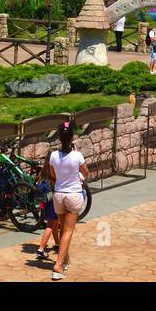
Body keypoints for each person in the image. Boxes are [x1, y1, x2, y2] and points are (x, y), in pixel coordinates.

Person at [46, 120, 88, 281]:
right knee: (68, 231)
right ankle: (57, 265)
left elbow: (52, 174)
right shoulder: (77, 155)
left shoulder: (54, 155)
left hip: (59, 195)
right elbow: (86, 173)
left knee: (63, 229)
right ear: (72, 137)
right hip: (73, 195)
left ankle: (65, 259)